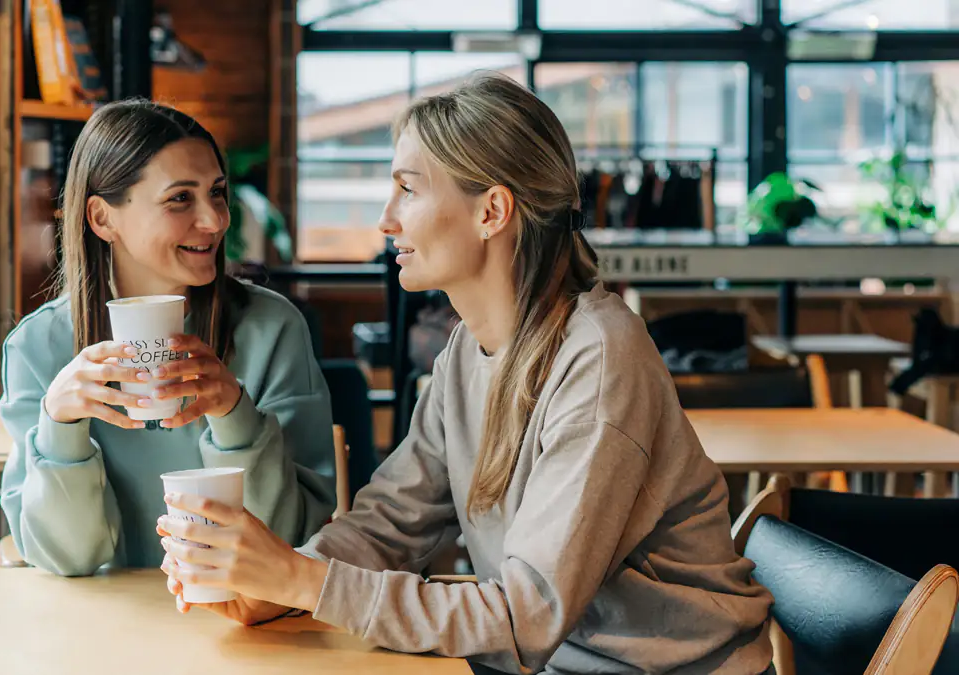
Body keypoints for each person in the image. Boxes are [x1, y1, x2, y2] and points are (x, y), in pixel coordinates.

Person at [156, 73, 775, 674]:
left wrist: (302, 580)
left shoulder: (598, 360)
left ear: (492, 211)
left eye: (408, 189)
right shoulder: (466, 351)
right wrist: (279, 586)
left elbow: (524, 619)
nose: (386, 220)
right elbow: (389, 521)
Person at [0, 100, 336, 577]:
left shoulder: (271, 328)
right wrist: (60, 427)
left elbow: (289, 539)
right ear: (101, 218)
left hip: (244, 625)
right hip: (100, 631)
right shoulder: (38, 348)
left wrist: (234, 414)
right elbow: (68, 561)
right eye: (181, 198)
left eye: (217, 193)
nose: (215, 220)